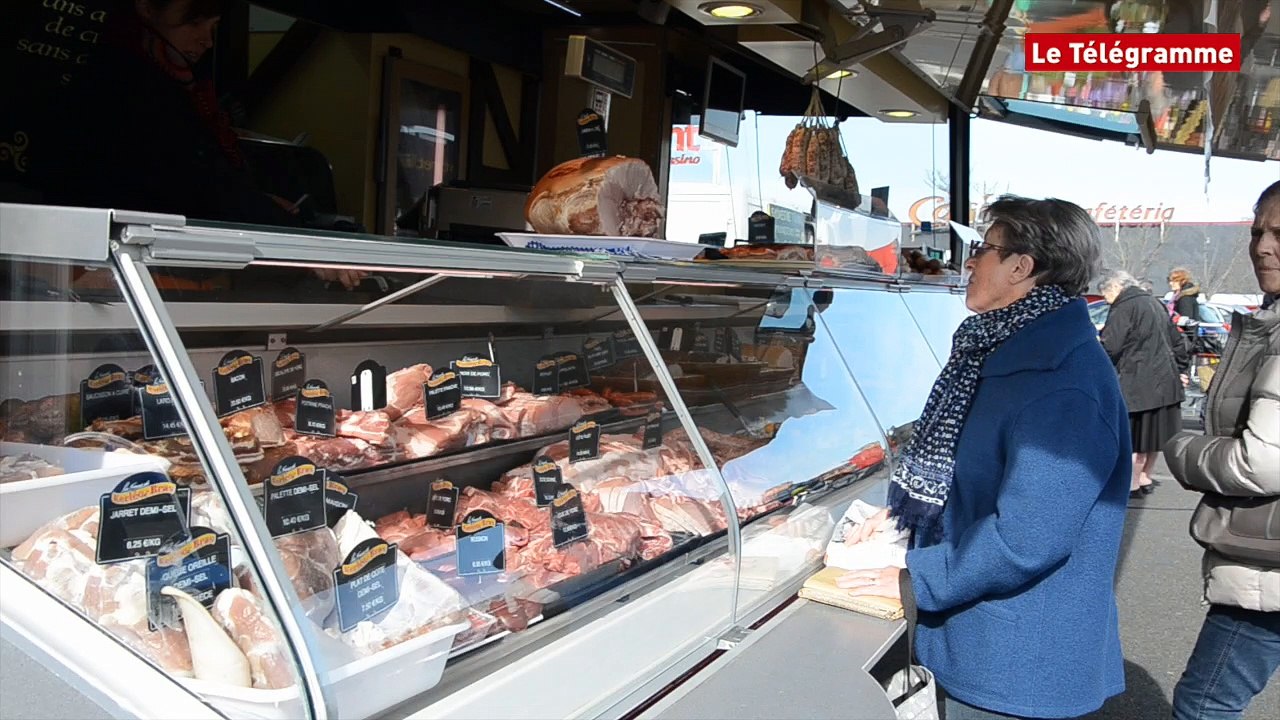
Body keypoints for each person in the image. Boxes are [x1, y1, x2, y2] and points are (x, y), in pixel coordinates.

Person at [838, 196, 1131, 719]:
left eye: (984, 249)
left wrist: (916, 579)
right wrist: (902, 517)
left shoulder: (1062, 383)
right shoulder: (997, 351)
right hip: (981, 640)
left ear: (1022, 267)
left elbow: (1028, 537)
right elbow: (969, 471)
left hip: (1017, 664)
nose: (970, 262)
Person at [35, 0, 363, 289]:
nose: (206, 39)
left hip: (153, 269)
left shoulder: (175, 84)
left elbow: (198, 180)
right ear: (146, 7)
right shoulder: (123, 87)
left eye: (213, 26)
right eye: (194, 23)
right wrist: (299, 243)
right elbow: (197, 183)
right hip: (112, 274)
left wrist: (262, 205)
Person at [1165, 181, 1280, 720]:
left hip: (1270, 570)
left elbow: (1262, 462)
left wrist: (1183, 450)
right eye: (1258, 231)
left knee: (1205, 704)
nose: (1262, 246)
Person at [1098, 269, 1190, 498]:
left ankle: (1130, 483)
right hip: (1163, 381)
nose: (1106, 299)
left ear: (1115, 287)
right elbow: (1177, 340)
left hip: (1137, 381)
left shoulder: (1124, 306)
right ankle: (1144, 477)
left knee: (1133, 438)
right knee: (1151, 438)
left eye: (1105, 293)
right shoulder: (1154, 303)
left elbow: (1111, 345)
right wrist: (1181, 368)